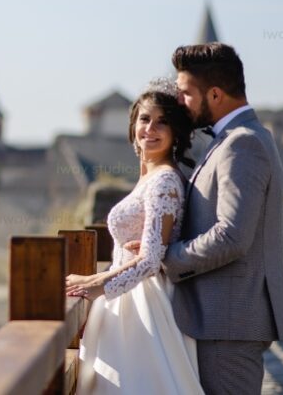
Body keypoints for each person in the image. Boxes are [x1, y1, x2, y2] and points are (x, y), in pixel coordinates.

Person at [160, 42, 283, 395]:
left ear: (216, 94)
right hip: (223, 319)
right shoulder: (232, 140)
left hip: (229, 321)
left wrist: (166, 258)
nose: (180, 101)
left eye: (186, 93)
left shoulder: (242, 144)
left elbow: (233, 236)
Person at [65, 78, 204, 394]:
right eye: (145, 119)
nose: (150, 129)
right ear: (133, 126)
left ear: (176, 134)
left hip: (145, 305)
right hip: (125, 300)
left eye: (162, 122)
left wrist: (95, 284)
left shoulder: (164, 181)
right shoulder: (149, 178)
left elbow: (152, 260)